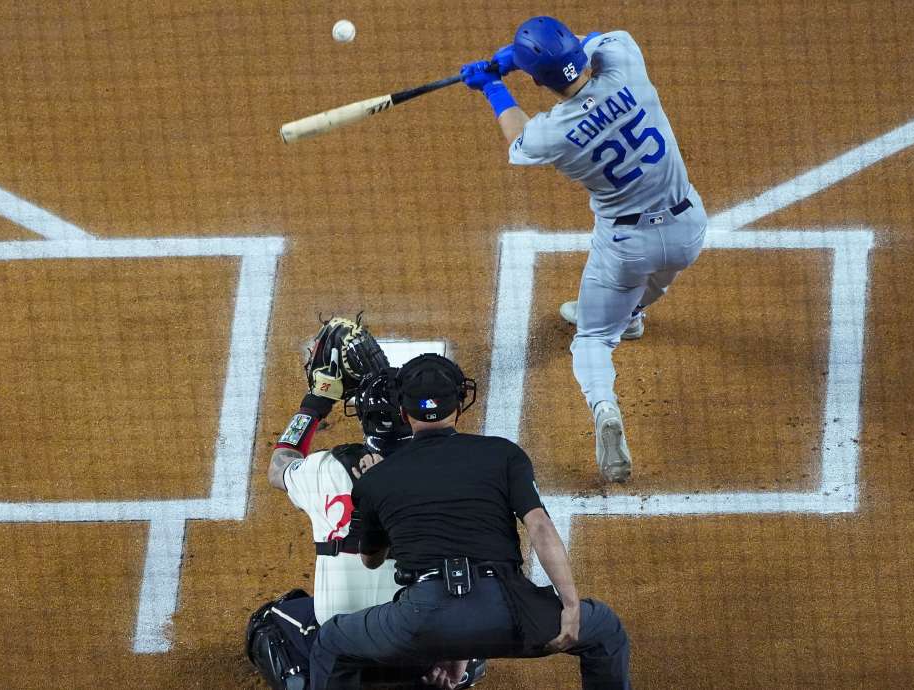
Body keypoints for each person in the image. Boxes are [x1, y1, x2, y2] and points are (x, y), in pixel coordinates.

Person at [460, 17, 710, 483]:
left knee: (593, 337)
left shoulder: (551, 135)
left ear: (537, 80)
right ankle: (631, 316)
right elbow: (594, 40)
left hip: (626, 247)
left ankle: (605, 408)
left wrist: (493, 85)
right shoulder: (626, 62)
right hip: (686, 232)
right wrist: (516, 57)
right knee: (651, 280)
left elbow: (517, 137)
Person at [308, 354, 631, 689]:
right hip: (511, 614)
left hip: (422, 621)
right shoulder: (503, 454)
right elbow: (540, 528)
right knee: (605, 629)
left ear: (404, 413)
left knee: (331, 642)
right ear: (459, 406)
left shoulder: (376, 479)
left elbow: (371, 560)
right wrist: (570, 603)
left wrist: (377, 495)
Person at [247, 316, 484, 689]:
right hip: (415, 655)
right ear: (412, 415)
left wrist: (317, 400)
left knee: (272, 620)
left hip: (343, 657)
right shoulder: (456, 480)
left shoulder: (325, 468)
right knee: (471, 628)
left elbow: (280, 465)